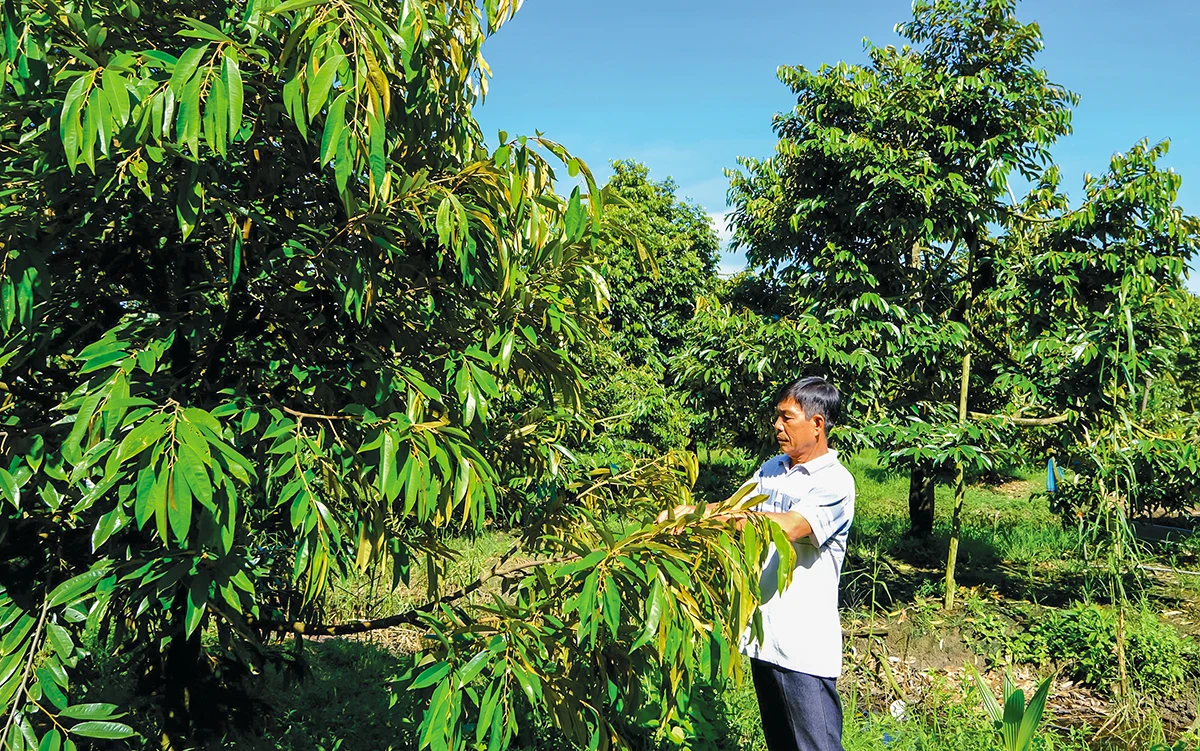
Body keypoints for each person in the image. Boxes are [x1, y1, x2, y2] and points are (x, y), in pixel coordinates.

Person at [661, 376, 855, 751]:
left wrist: (721, 517)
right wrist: (688, 514)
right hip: (765, 637)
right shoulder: (772, 469)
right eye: (777, 417)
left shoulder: (835, 482)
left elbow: (790, 526)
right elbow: (733, 508)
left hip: (803, 646)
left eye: (787, 417)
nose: (777, 426)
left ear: (817, 424)